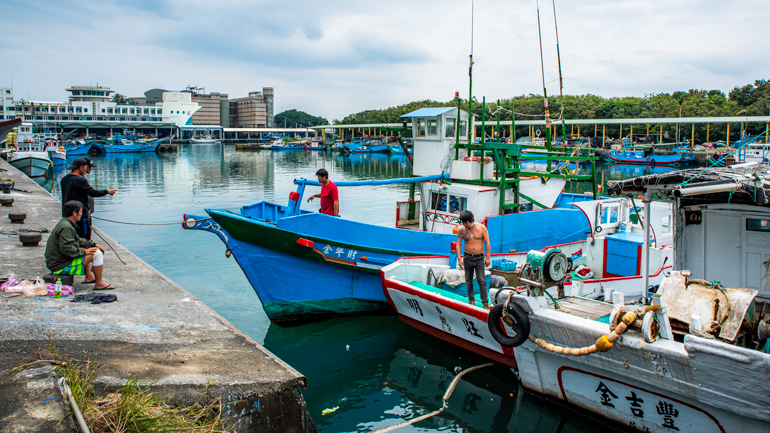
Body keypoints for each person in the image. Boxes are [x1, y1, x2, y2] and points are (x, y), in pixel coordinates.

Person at [45, 200, 114, 290]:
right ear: (74, 213)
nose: (81, 214)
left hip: (56, 261)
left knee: (89, 249)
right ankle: (99, 283)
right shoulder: (66, 227)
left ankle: (89, 277)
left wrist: (93, 244)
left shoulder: (65, 223)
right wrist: (85, 251)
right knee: (96, 254)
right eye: (81, 212)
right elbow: (66, 248)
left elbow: (77, 240)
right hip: (59, 266)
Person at [61, 158, 117, 240]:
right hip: (80, 214)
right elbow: (92, 192)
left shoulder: (65, 179)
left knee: (72, 237)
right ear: (81, 167)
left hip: (68, 214)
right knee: (84, 238)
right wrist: (107, 191)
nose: (85, 170)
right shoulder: (80, 180)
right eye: (85, 167)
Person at [456, 210, 491, 308]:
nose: (465, 224)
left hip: (479, 258)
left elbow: (487, 242)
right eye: (463, 222)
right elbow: (458, 244)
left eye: (467, 222)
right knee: (468, 279)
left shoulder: (481, 228)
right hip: (467, 257)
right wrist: (459, 259)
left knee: (481, 280)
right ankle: (471, 299)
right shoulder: (462, 230)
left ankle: (485, 301)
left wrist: (488, 258)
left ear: (471, 220)